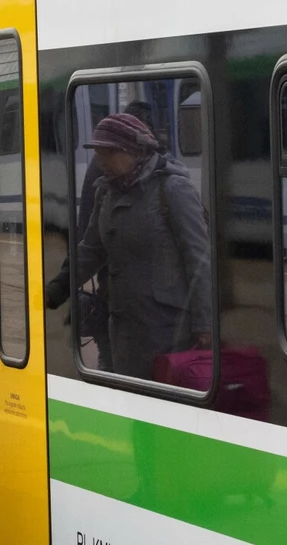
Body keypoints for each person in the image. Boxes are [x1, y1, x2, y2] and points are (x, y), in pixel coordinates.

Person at [44, 113, 212, 381]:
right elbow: (91, 249)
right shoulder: (106, 193)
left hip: (166, 330)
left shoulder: (172, 189)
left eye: (107, 154)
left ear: (132, 151)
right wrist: (60, 286)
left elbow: (200, 259)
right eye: (99, 155)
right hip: (122, 328)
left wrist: (204, 324)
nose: (101, 163)